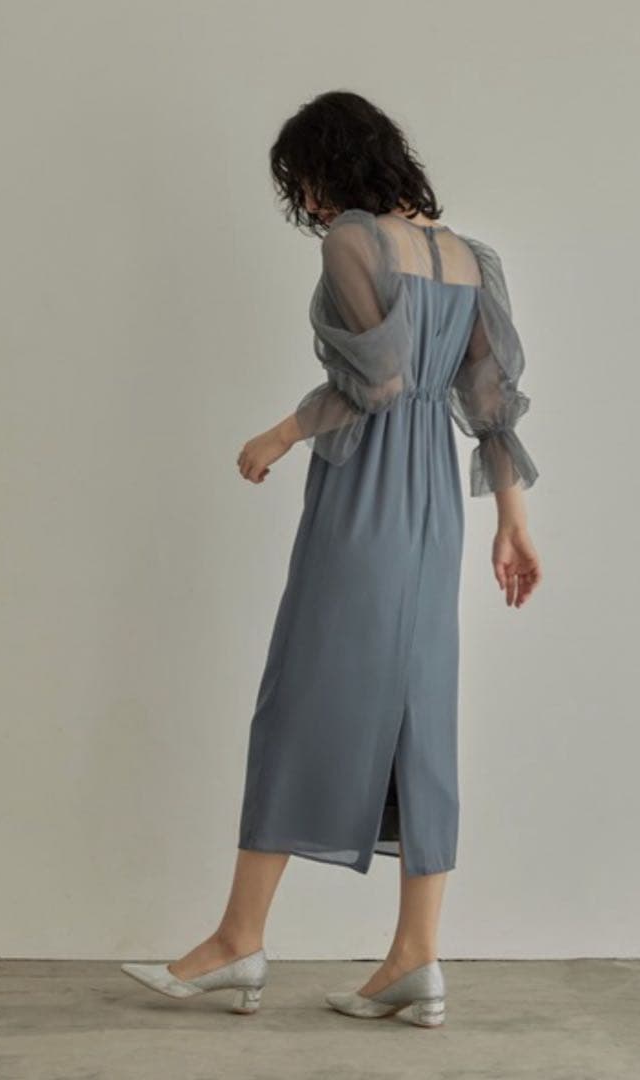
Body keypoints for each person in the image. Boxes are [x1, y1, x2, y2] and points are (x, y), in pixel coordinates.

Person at [121, 90, 542, 1027]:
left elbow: (377, 381)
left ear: (333, 166)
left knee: (299, 695)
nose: (305, 202)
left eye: (303, 180)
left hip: (366, 498)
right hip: (437, 507)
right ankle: (415, 959)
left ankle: (238, 940)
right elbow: (489, 405)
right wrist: (512, 521)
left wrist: (277, 435)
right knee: (420, 714)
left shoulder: (354, 239)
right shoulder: (470, 258)